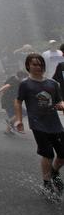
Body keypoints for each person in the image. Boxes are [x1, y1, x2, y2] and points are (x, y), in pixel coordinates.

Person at [15, 54, 64, 199]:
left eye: (40, 64)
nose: (38, 67)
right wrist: (19, 120)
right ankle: (47, 183)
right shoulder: (25, 84)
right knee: (48, 154)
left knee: (62, 154)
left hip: (54, 124)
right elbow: (18, 102)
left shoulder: (53, 83)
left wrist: (61, 105)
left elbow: (59, 101)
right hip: (38, 124)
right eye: (34, 64)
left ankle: (54, 172)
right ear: (28, 66)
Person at [0, 70, 27, 135]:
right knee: (22, 113)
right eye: (24, 78)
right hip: (9, 101)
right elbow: (7, 85)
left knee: (13, 116)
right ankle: (10, 123)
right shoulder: (15, 81)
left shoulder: (12, 78)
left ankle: (7, 130)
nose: (24, 80)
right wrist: (0, 90)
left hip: (9, 100)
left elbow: (6, 85)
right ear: (21, 77)